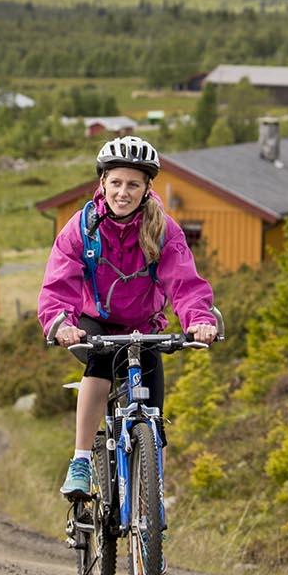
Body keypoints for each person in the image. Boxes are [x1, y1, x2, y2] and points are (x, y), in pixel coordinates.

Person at [39, 135, 218, 500]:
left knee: (152, 413)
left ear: (147, 187)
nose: (124, 192)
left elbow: (184, 281)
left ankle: (148, 504)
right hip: (93, 325)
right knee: (101, 364)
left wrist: (199, 319)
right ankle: (82, 460)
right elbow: (60, 282)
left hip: (143, 328)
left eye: (133, 184)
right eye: (116, 182)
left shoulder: (163, 229)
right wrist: (62, 323)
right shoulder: (82, 228)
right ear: (102, 183)